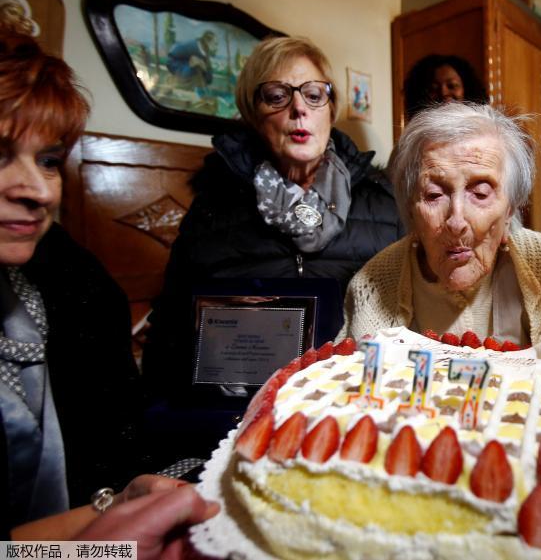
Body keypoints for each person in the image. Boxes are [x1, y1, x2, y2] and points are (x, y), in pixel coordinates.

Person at [0, 32, 217, 554]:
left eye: (49, 160)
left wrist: (114, 508)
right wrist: (97, 549)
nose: (39, 190)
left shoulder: (68, 284)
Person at [144, 35, 402, 404]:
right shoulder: (211, 211)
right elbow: (170, 329)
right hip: (240, 415)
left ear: (331, 109)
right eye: (277, 96)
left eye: (314, 94)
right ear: (253, 115)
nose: (299, 108)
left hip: (352, 411)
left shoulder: (386, 206)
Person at [341, 102, 541, 392]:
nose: (457, 221)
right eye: (435, 195)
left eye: (480, 194)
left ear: (510, 209)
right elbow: (352, 395)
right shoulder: (374, 282)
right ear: (410, 207)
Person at [402, 54, 488, 121]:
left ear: (467, 89)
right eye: (433, 89)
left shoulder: (482, 128)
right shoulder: (416, 134)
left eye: (451, 86)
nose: (443, 93)